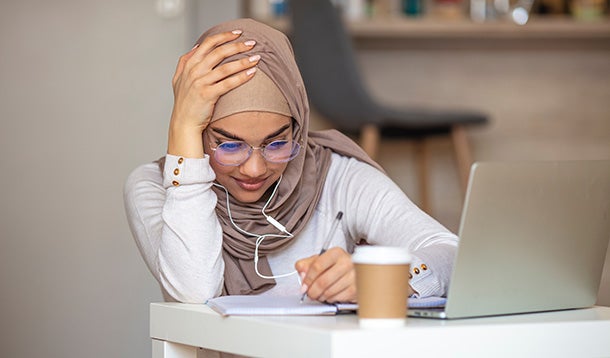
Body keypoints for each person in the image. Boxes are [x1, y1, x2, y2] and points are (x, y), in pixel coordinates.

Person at [123, 18, 458, 304]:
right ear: (199, 135)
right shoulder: (156, 185)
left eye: (278, 142)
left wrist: (380, 278)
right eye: (228, 145)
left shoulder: (333, 173)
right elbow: (194, 292)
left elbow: (452, 253)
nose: (255, 169)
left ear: (299, 126)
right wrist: (182, 128)